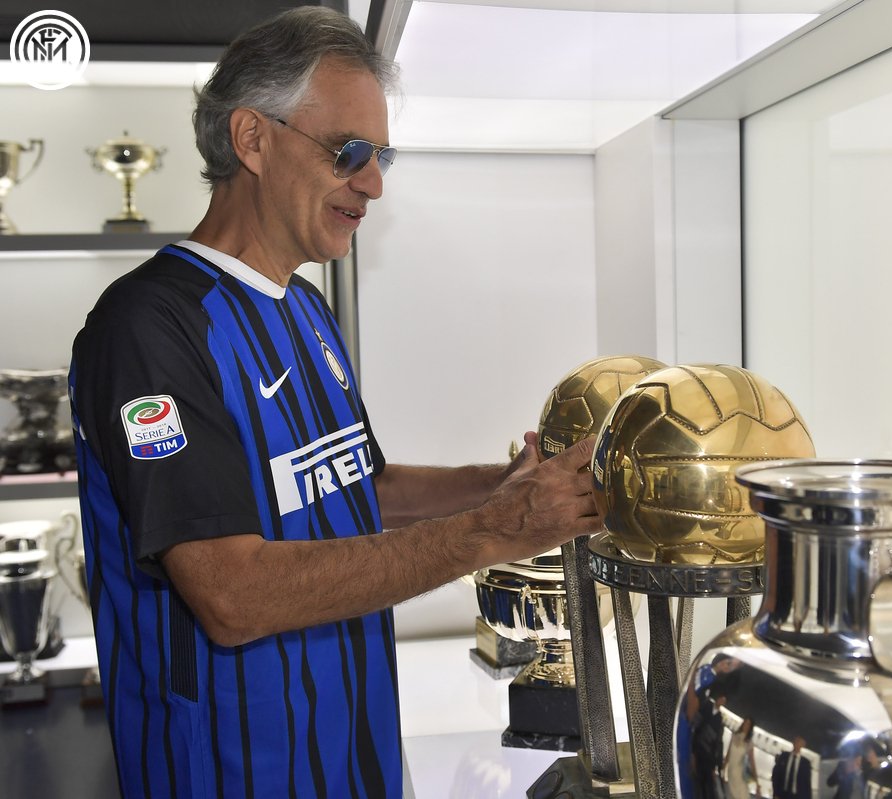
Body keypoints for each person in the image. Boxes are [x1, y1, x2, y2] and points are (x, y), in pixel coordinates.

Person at [68, 7, 599, 799]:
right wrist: (496, 529)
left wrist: (500, 485)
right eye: (349, 152)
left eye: (382, 156)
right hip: (230, 774)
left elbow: (355, 489)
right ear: (253, 139)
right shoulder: (150, 326)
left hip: (357, 756)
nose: (374, 183)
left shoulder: (307, 307)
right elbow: (231, 592)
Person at [721, 717, 759, 799]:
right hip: (731, 772)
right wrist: (723, 769)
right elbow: (728, 755)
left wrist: (757, 784)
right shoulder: (734, 736)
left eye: (748, 724)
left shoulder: (749, 743)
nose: (746, 725)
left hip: (740, 774)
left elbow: (752, 763)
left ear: (750, 727)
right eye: (745, 723)